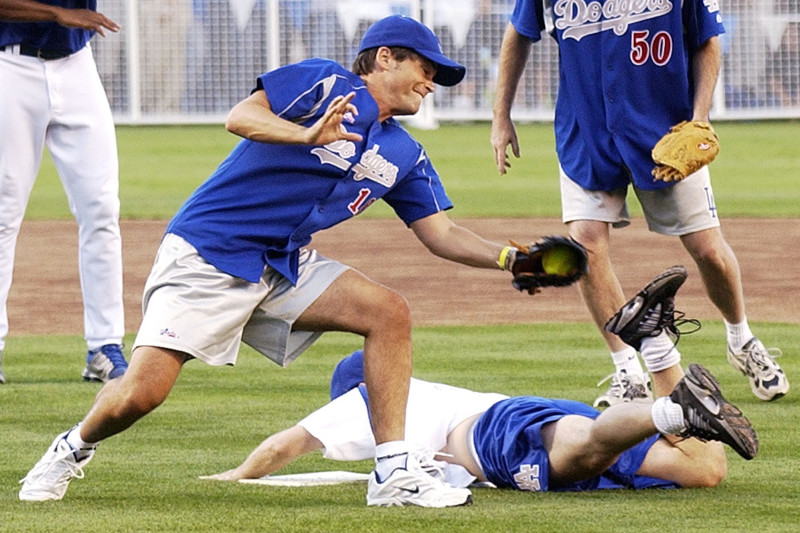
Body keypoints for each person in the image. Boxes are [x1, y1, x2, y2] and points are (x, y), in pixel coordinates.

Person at [18, 14, 542, 508]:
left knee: (387, 312)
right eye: (425, 70)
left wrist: (509, 258)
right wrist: (307, 134)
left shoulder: (404, 153)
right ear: (384, 58)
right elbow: (241, 115)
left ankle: (392, 472)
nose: (431, 84)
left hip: (283, 264)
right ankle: (72, 446)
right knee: (141, 395)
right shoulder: (328, 83)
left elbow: (441, 232)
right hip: (211, 251)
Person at [204, 268, 758, 492]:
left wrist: (230, 478)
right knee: (704, 468)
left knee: (588, 453)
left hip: (498, 437)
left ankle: (674, 409)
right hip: (514, 414)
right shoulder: (420, 394)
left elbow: (287, 443)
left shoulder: (371, 401)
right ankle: (657, 347)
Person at [490, 0, 789, 406]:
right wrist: (500, 115)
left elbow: (707, 40)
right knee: (586, 246)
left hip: (666, 132)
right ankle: (628, 370)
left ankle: (741, 338)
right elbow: (518, 34)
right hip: (586, 133)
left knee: (708, 250)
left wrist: (700, 118)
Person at [0, 0, 129, 384]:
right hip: (10, 67)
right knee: (3, 214)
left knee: (101, 209)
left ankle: (104, 346)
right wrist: (54, 13)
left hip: (76, 66)